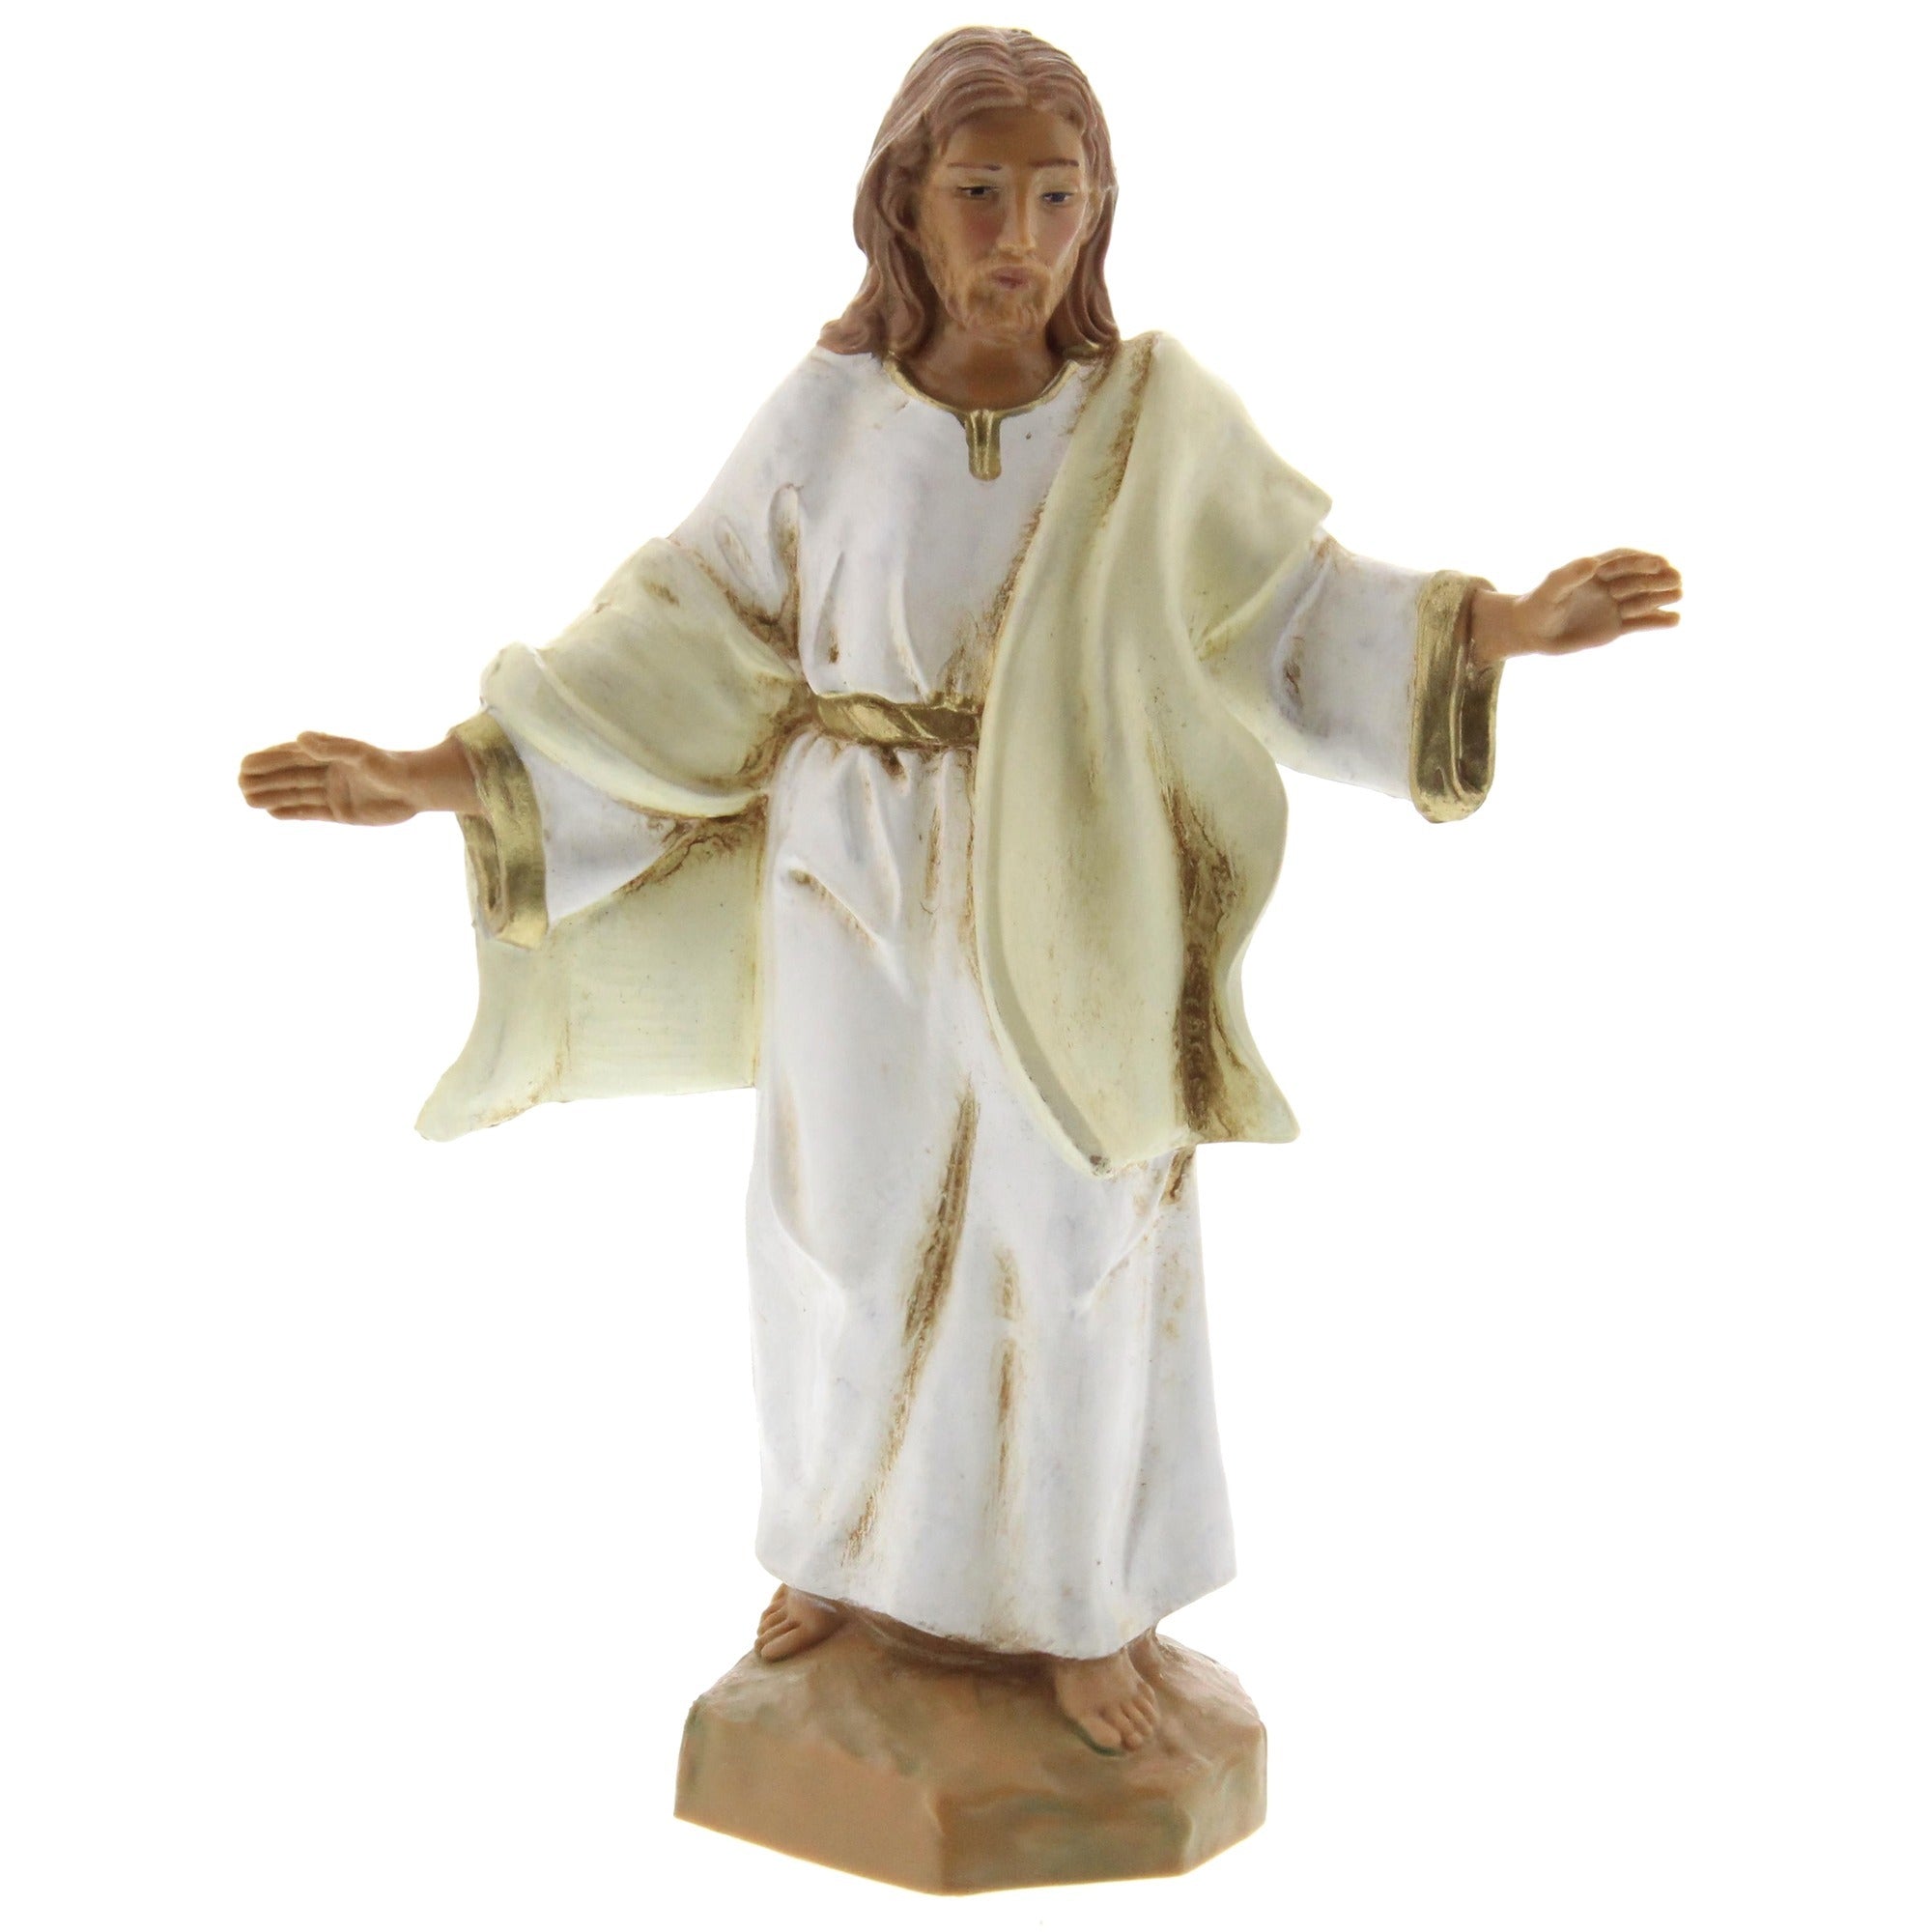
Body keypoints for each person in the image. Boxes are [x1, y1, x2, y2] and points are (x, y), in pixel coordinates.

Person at [238, 27, 1682, 1755]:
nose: (1020, 237)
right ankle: (845, 1563)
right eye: (980, 192)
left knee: (1072, 1241)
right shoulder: (826, 416)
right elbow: (687, 634)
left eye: (1058, 198)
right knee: (840, 1231)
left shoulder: (1148, 426)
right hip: (850, 879)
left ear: (1099, 210)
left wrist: (1503, 626)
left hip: (1080, 868)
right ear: (904, 207)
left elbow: (1290, 614)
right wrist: (438, 773)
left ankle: (1079, 1605)